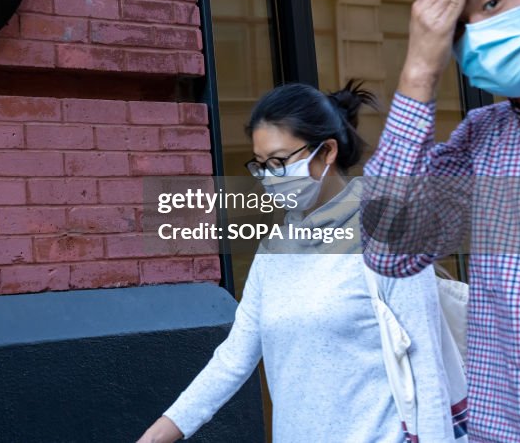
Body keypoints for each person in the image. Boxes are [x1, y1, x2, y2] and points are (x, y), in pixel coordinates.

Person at [138, 81, 453, 443]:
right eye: (261, 166)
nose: (270, 177)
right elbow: (234, 359)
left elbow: (428, 374)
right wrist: (158, 434)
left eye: (279, 161)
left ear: (326, 152)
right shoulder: (274, 252)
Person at [361, 0, 520, 442]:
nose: (483, 33)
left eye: (493, 3)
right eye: (461, 28)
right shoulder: (479, 139)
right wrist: (420, 67)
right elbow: (390, 250)